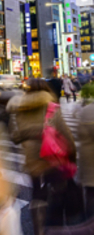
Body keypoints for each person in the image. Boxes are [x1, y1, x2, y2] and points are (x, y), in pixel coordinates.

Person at [7, 78, 78, 234]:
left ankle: (38, 230)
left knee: (38, 194)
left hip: (32, 159)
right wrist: (72, 152)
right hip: (51, 157)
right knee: (58, 190)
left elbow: (14, 136)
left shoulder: (20, 107)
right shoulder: (51, 105)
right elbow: (64, 131)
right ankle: (56, 227)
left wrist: (28, 134)